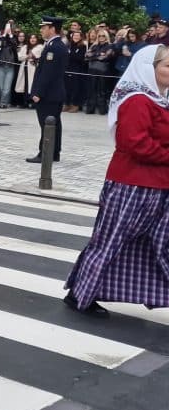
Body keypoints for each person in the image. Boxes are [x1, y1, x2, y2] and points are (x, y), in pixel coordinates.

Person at [64, 44, 169, 317]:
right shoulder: (136, 100)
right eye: (167, 66)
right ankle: (80, 295)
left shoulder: (159, 99)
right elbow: (134, 143)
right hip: (131, 184)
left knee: (152, 244)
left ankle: (94, 290)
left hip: (157, 184)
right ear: (150, 70)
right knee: (110, 241)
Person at [26, 17, 68, 163]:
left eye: (44, 27)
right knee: (54, 123)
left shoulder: (54, 47)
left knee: (47, 125)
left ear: (52, 28)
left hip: (49, 94)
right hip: (54, 93)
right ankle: (54, 152)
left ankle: (45, 154)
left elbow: (48, 73)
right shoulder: (54, 45)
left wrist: (38, 92)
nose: (42, 30)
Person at [0, 21, 18, 108]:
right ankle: (5, 102)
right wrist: (4, 35)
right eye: (7, 27)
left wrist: (11, 35)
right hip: (0, 66)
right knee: (1, 88)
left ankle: (2, 103)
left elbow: (15, 46)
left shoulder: (13, 38)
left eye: (9, 27)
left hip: (10, 66)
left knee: (7, 88)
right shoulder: (0, 37)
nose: (8, 28)